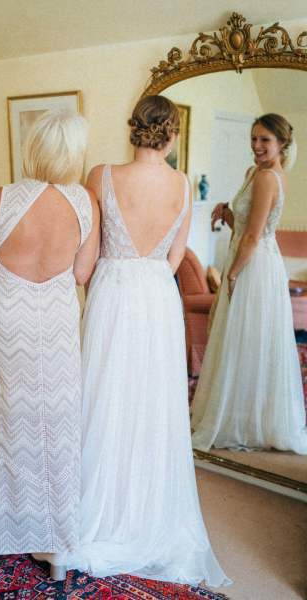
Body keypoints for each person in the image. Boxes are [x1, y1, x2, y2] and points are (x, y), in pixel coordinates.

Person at [66, 95, 230, 586]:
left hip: (113, 294)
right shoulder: (181, 184)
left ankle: (99, 511)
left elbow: (87, 262)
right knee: (152, 405)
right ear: (172, 134)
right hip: (158, 297)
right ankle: (149, 516)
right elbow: (176, 256)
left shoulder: (101, 175)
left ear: (133, 128)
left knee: (103, 398)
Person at [0, 108, 100, 579]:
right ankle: (56, 545)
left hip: (6, 321)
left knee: (6, 418)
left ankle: (3, 528)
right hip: (57, 323)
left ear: (34, 147)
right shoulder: (85, 202)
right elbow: (83, 275)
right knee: (55, 427)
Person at [191, 113, 307, 454]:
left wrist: (232, 273)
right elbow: (245, 226)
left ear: (282, 144)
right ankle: (237, 413)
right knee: (238, 340)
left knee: (249, 338)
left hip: (254, 266)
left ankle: (245, 421)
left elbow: (255, 236)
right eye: (254, 138)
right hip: (249, 258)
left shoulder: (268, 178)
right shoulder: (254, 173)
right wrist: (227, 214)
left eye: (265, 140)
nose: (256, 146)